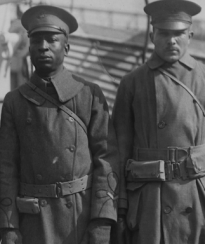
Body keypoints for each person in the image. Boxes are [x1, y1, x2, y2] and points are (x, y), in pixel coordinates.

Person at [0, 5, 119, 244]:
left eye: (52, 40)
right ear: (29, 47)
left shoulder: (88, 94)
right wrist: (9, 225)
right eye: (36, 40)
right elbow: (6, 169)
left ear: (67, 47)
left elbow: (107, 159)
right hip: (34, 222)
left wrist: (101, 221)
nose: (43, 47)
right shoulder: (15, 101)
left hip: (80, 219)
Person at [112, 0, 205, 243]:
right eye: (164, 33)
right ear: (153, 35)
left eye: (178, 33)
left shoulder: (203, 78)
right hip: (149, 201)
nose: (171, 40)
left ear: (190, 35)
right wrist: (120, 208)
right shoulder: (132, 83)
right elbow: (119, 151)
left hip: (195, 198)